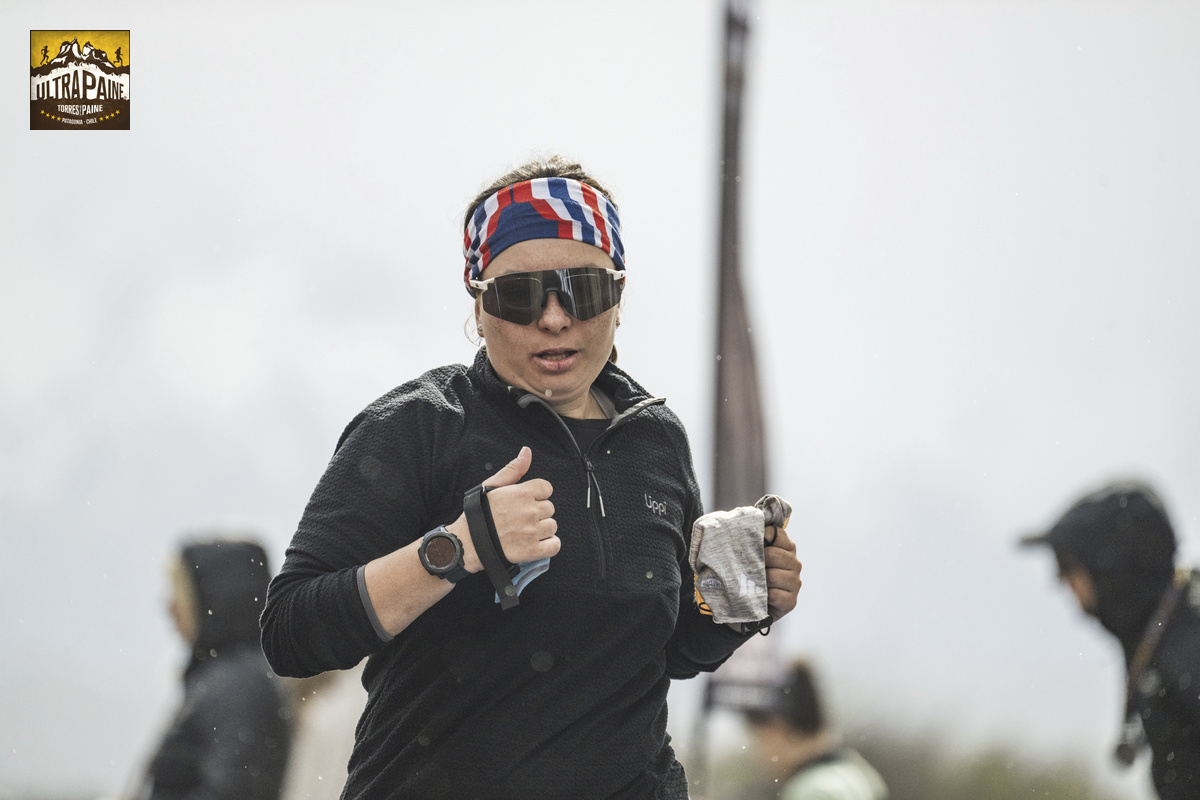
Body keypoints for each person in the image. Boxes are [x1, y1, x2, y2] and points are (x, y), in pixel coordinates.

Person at [260, 155, 804, 799]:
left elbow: (662, 656)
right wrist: (457, 549)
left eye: (584, 290)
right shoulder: (419, 427)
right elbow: (291, 633)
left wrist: (733, 604)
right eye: (519, 294)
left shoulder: (655, 440)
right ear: (479, 305)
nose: (554, 317)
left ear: (619, 298)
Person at [1020, 480, 1200, 799]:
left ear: (1111, 566)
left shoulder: (1187, 645)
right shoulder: (1162, 632)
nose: (1059, 581)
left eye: (1066, 565)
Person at [139, 537, 292, 800]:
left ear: (212, 598)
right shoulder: (224, 677)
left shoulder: (240, 685)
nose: (169, 608)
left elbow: (235, 791)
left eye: (180, 592)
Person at [743, 660, 888, 800]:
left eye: (759, 736)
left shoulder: (814, 790)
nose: (757, 749)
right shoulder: (857, 773)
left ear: (776, 729)